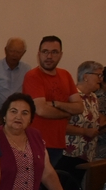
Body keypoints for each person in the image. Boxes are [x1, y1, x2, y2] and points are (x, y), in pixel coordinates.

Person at [22, 36, 83, 167]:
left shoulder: (65, 75)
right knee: (35, 185)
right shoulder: (33, 76)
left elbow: (79, 107)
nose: (49, 56)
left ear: (60, 55)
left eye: (54, 52)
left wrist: (56, 103)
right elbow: (42, 110)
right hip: (35, 142)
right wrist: (67, 112)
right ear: (39, 54)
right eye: (45, 51)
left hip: (58, 142)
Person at [58, 61, 105, 182]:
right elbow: (61, 125)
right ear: (85, 77)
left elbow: (93, 122)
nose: (101, 79)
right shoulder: (70, 97)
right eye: (98, 75)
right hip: (68, 155)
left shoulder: (94, 98)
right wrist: (85, 131)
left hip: (86, 155)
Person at [0, 38, 31, 125]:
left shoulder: (27, 70)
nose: (14, 55)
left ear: (23, 53)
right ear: (6, 50)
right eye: (12, 51)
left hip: (16, 116)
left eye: (18, 52)